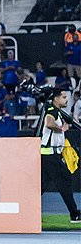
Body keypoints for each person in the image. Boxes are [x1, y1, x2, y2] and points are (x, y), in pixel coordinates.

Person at [38, 88, 80, 222]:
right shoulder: (53, 111)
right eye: (64, 97)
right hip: (50, 154)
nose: (66, 100)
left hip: (49, 154)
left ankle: (23, 209)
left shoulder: (56, 111)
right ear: (56, 99)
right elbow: (49, 123)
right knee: (64, 182)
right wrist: (61, 129)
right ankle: (74, 214)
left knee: (42, 185)